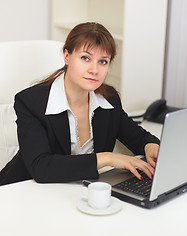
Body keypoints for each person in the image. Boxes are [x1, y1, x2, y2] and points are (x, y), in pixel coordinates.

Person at [0, 22, 159, 186]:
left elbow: (136, 136)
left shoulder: (109, 100)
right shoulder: (31, 102)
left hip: (76, 195)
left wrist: (150, 146)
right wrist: (108, 158)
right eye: (85, 58)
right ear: (67, 57)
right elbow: (41, 167)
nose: (94, 70)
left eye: (103, 61)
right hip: (22, 192)